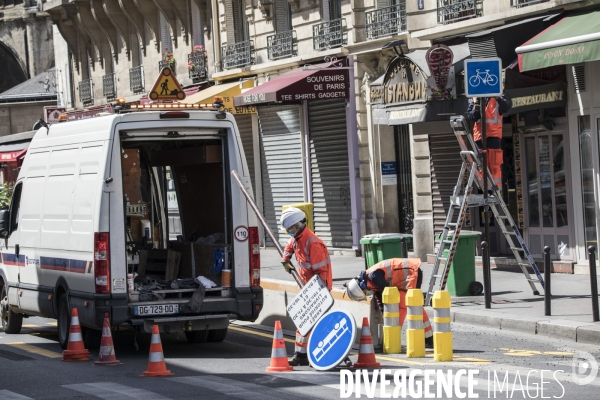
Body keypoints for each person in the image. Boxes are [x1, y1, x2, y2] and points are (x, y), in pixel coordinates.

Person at [280, 207, 332, 366]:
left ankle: (317, 353)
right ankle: (301, 355)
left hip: (318, 287)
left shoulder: (313, 243)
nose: (291, 232)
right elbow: (290, 245)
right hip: (307, 286)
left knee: (314, 323)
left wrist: (317, 294)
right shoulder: (297, 237)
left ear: (301, 224)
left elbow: (321, 272)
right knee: (303, 321)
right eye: (289, 230)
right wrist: (286, 259)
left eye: (293, 228)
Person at [346, 258, 433, 347]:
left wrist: (390, 317)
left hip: (412, 273)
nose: (366, 293)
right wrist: (384, 312)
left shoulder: (374, 277)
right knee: (414, 306)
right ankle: (428, 338)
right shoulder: (371, 279)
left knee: (407, 305)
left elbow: (389, 293)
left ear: (362, 286)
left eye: (364, 292)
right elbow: (380, 296)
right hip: (409, 275)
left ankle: (394, 337)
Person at [467, 95, 510, 193]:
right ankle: (485, 191)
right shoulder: (475, 98)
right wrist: (476, 103)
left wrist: (497, 97)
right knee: (482, 166)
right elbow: (473, 116)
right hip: (480, 138)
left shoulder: (498, 97)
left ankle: (494, 192)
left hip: (493, 137)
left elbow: (506, 107)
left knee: (494, 166)